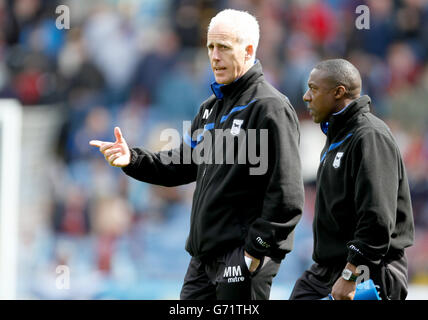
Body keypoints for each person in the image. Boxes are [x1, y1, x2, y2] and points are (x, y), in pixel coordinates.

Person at [90, 9, 304, 300]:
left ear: (249, 50)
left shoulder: (269, 107)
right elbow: (181, 165)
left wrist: (256, 251)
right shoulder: (209, 109)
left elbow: (287, 193)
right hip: (203, 259)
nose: (214, 56)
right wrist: (133, 159)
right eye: (210, 47)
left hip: (242, 256)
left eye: (224, 48)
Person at [290, 59, 415, 300]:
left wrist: (351, 274)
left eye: (314, 89)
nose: (306, 96)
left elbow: (377, 217)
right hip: (327, 270)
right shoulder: (339, 137)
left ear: (339, 92)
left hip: (369, 270)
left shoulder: (369, 137)